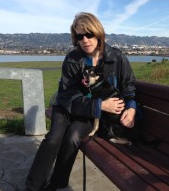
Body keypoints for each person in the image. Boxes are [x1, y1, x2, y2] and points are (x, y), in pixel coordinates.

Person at [25, 12, 137, 191]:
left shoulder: (117, 58)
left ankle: (57, 183)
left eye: (89, 34)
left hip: (88, 113)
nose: (85, 40)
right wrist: (100, 105)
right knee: (54, 138)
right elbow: (67, 95)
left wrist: (131, 108)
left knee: (73, 137)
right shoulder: (72, 59)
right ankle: (32, 187)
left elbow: (129, 86)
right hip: (66, 108)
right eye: (79, 36)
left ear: (98, 32)